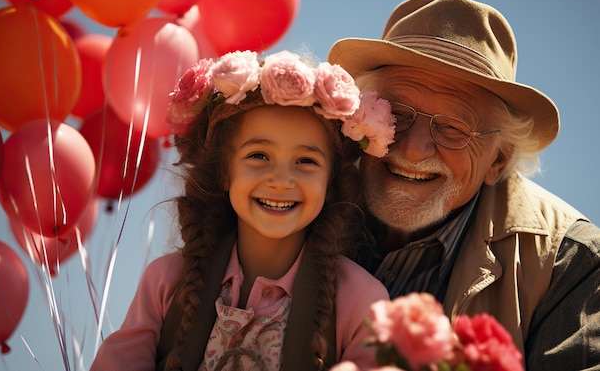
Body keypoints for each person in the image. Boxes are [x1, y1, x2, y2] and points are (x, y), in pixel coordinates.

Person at [328, 0, 600, 370]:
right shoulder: (298, 194)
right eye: (398, 113)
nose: (414, 148)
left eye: (453, 128)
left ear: (498, 160)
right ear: (361, 114)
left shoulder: (570, 263)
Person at [89, 50, 395, 371]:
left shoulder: (361, 302)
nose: (280, 180)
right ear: (224, 171)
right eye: (259, 156)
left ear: (330, 183)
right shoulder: (165, 281)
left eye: (306, 161)